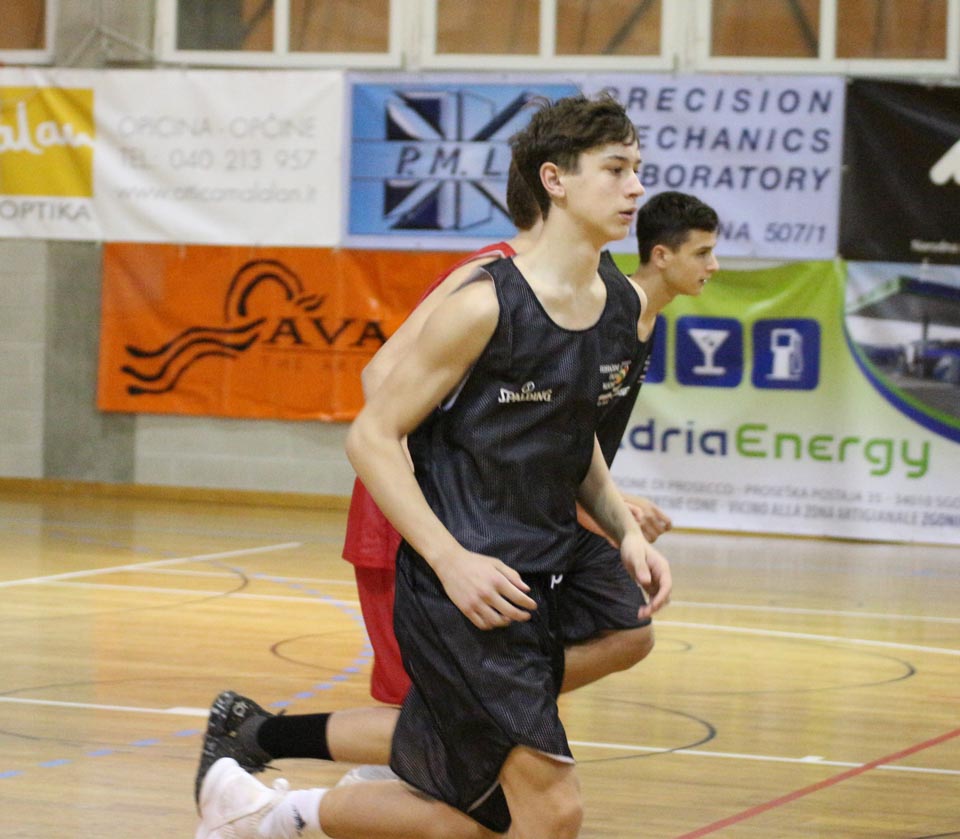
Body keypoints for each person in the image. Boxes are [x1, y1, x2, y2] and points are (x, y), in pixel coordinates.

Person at [196, 92, 661, 839]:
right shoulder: (484, 302)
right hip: (467, 578)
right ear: (555, 180)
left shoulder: (617, 308)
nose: (636, 186)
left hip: (549, 560)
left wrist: (624, 529)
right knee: (552, 811)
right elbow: (372, 434)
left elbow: (578, 443)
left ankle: (261, 813)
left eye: (637, 167)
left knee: (473, 819)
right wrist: (449, 558)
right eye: (616, 169)